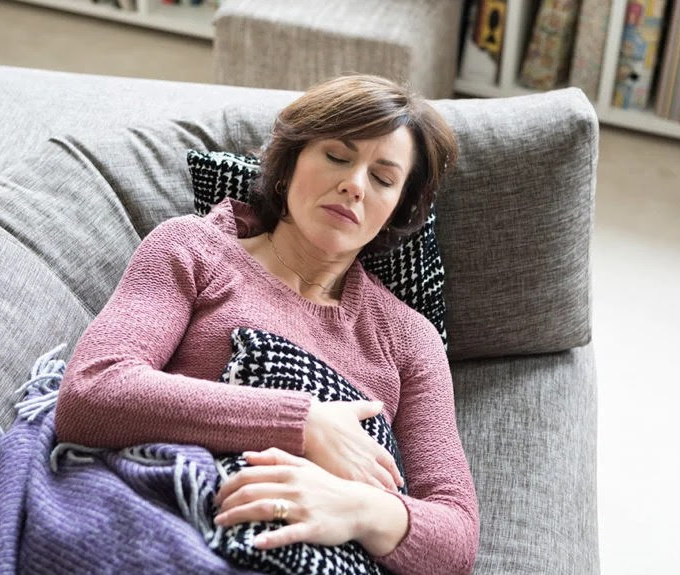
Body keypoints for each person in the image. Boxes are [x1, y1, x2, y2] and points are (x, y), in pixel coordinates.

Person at [55, 75, 479, 574]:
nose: (354, 185)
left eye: (383, 179)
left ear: (395, 211)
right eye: (337, 156)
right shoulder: (193, 249)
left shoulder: (409, 338)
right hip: (165, 529)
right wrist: (304, 423)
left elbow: (456, 535)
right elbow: (91, 393)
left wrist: (356, 509)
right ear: (288, 165)